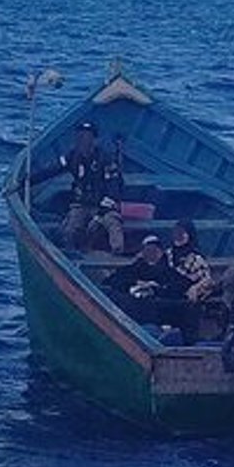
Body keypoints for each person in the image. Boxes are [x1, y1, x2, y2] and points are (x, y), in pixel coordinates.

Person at [28, 121, 124, 253]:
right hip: (81, 204)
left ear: (94, 140)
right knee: (69, 230)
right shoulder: (72, 156)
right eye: (80, 137)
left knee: (114, 226)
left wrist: (100, 215)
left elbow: (114, 188)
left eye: (87, 137)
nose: (83, 141)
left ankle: (117, 257)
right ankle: (70, 256)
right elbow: (52, 169)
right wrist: (29, 180)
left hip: (104, 206)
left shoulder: (106, 159)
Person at [104, 235, 191, 334]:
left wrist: (155, 288)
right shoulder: (131, 270)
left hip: (160, 317)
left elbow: (179, 291)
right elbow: (112, 282)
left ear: (161, 252)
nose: (151, 253)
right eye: (147, 249)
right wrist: (135, 284)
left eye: (155, 249)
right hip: (133, 315)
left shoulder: (170, 273)